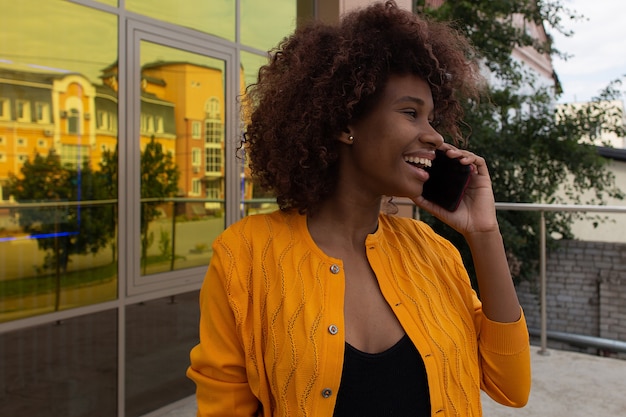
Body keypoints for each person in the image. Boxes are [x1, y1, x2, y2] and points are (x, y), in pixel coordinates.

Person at [187, 1, 531, 416]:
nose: (435, 137)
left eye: (433, 118)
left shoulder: (434, 253)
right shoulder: (244, 256)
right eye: (411, 113)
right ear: (344, 123)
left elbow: (511, 387)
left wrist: (483, 234)